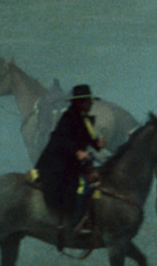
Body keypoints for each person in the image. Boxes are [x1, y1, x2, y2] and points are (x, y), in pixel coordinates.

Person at [32, 84, 104, 248]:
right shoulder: (69, 117)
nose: (91, 103)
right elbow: (61, 140)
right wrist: (77, 151)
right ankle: (77, 223)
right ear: (80, 102)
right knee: (82, 184)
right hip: (59, 163)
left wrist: (97, 144)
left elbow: (88, 138)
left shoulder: (83, 118)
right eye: (88, 101)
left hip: (73, 161)